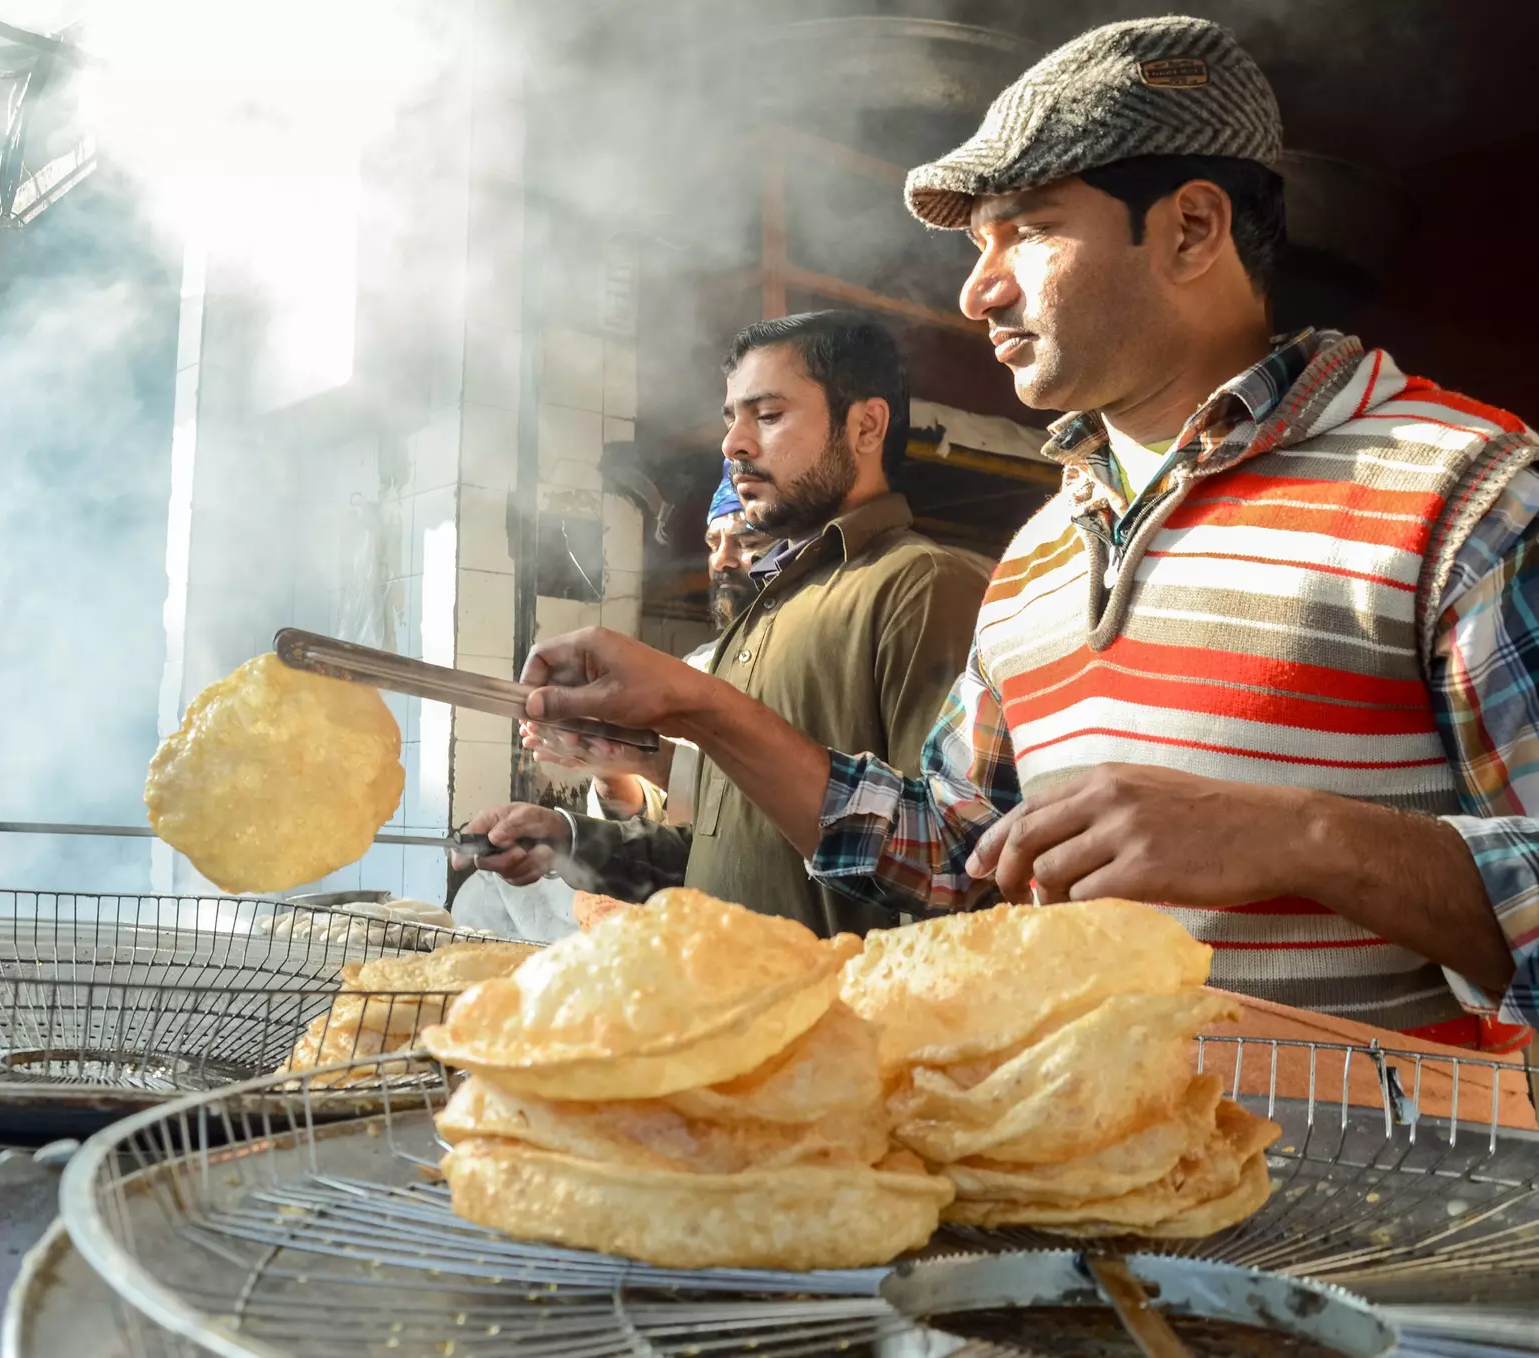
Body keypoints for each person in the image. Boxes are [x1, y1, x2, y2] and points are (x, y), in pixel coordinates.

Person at [511, 17, 1538, 1051]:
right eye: (975, 245)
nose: (977, 288)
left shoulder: (1461, 489)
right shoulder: (1042, 554)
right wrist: (697, 706)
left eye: (1030, 228)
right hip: (1080, 1182)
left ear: (1189, 228)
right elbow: (956, 852)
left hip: (1377, 1205)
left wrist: (1302, 836)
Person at [464, 312, 989, 935]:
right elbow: (726, 863)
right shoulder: (765, 612)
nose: (733, 444)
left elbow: (954, 869)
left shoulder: (919, 586)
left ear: (866, 426)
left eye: (767, 416)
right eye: (731, 418)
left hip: (842, 1022)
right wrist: (568, 838)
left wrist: (695, 706)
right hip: (737, 1015)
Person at [527, 466, 770, 824]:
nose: (721, 560)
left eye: (746, 543)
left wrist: (651, 760)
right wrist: (609, 764)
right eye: (712, 544)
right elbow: (649, 819)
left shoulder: (804, 663)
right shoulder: (697, 667)